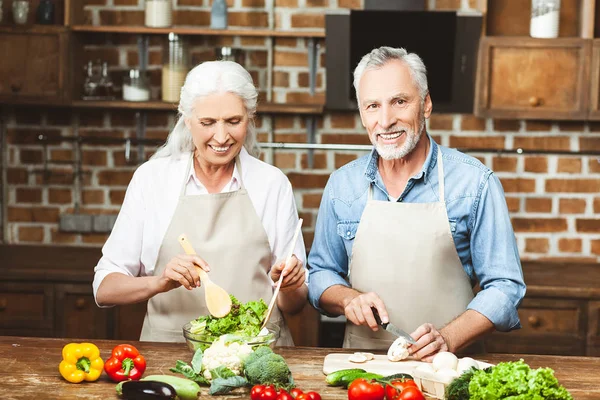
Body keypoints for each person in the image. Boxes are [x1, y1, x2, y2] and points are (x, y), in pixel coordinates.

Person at [307, 47, 526, 360]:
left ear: (425, 104)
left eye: (399, 101)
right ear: (362, 114)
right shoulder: (343, 186)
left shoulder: (474, 183)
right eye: (372, 106)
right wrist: (345, 298)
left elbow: (505, 286)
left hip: (450, 369)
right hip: (363, 371)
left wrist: (448, 337)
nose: (386, 120)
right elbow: (320, 273)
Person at [93, 61, 307, 345]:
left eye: (234, 121)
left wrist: (290, 284)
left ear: (250, 117)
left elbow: (296, 304)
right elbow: (104, 288)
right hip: (169, 356)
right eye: (208, 123)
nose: (221, 137)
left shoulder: (272, 184)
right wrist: (160, 282)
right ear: (187, 119)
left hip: (256, 355)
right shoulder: (152, 180)